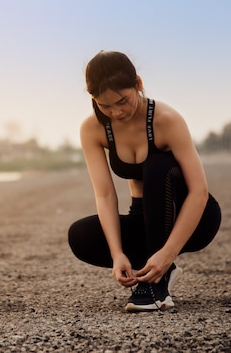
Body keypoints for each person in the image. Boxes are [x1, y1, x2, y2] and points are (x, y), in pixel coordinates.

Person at [68, 51, 221, 312]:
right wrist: (117, 254)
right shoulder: (92, 129)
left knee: (157, 163)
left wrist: (169, 252)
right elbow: (105, 195)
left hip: (191, 217)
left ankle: (155, 283)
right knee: (80, 236)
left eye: (122, 101)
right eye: (104, 105)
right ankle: (156, 272)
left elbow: (199, 191)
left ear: (138, 84)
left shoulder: (167, 120)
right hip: (143, 218)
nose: (116, 112)